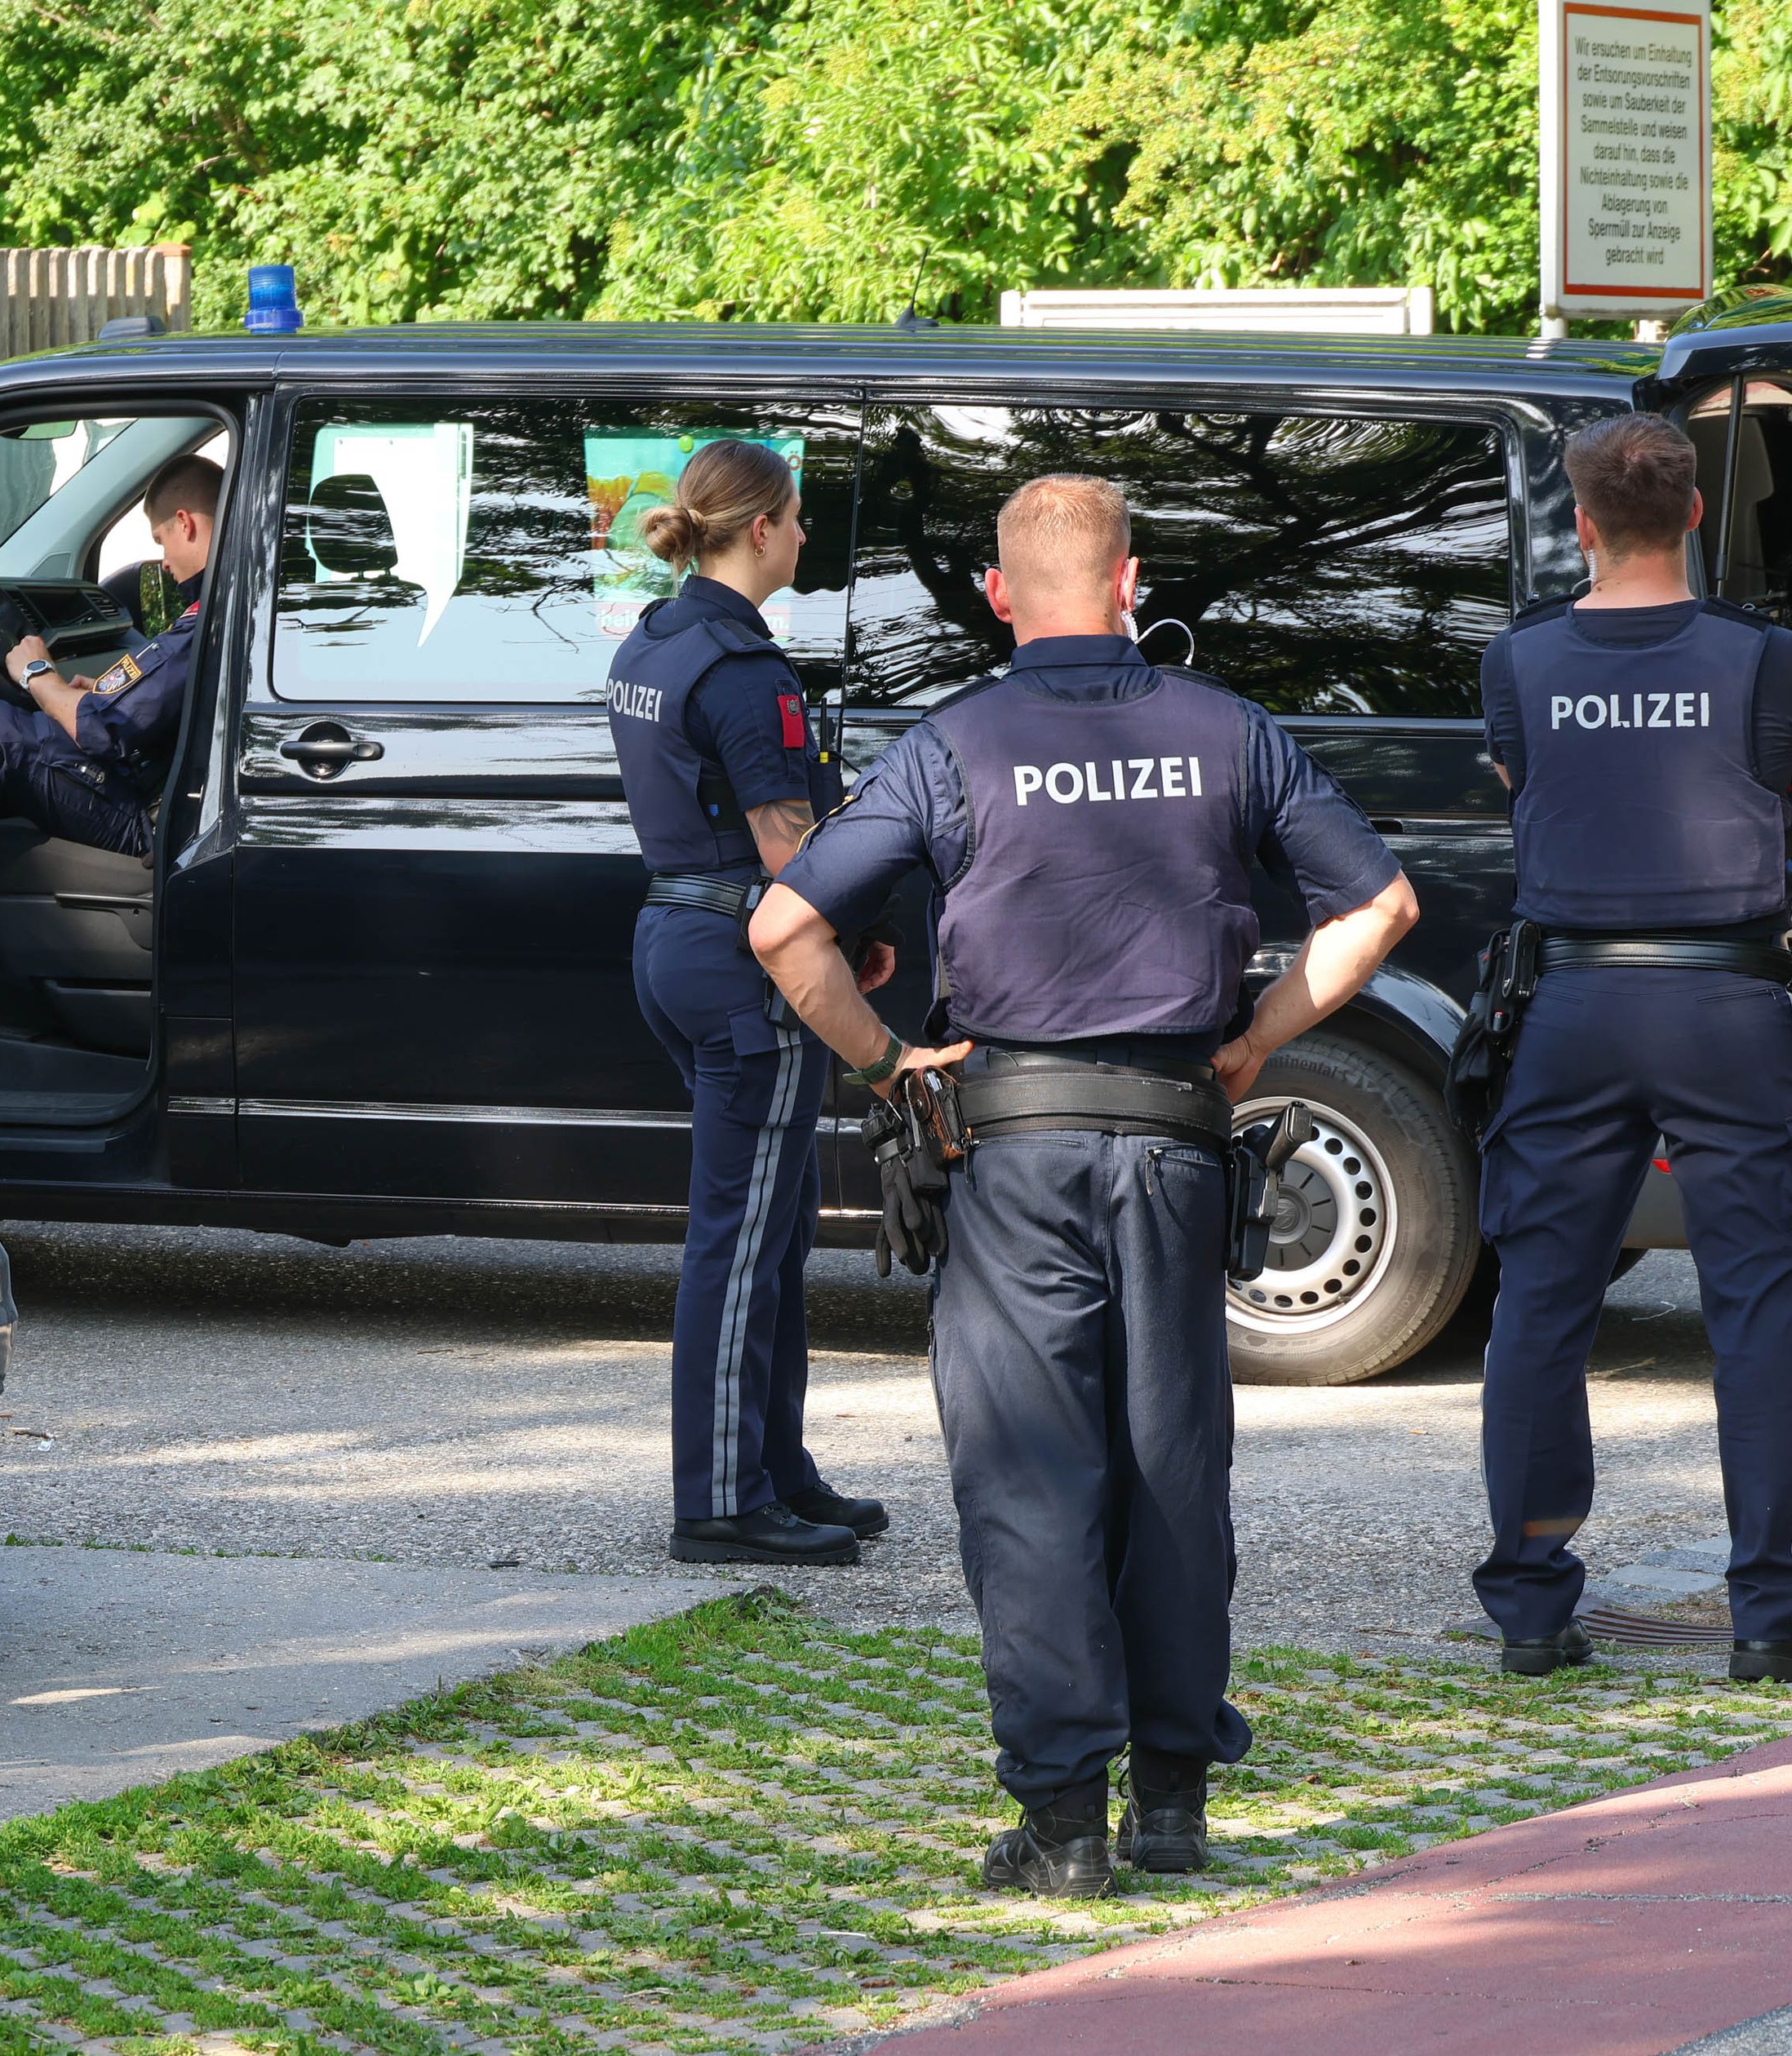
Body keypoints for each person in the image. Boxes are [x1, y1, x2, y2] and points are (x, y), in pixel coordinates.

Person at [752, 474, 1418, 1896]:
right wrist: (1253, 1041)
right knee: (1174, 1462)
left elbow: (785, 926)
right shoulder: (1226, 731)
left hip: (1013, 1150)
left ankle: (1063, 1825)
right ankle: (1172, 1805)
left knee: (1029, 1477)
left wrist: (890, 1066)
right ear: (1131, 581)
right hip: (1178, 1143)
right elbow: (1381, 905)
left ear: (1000, 598)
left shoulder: (954, 745)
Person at [1473, 412, 1792, 1685]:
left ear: (1581, 522)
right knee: (1757, 1301)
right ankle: (1770, 1616)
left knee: (1540, 1302)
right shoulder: (1770, 657)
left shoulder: (1516, 662)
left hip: (1574, 1006)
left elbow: (1532, 798)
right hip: (1725, 1003)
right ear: (1694, 516)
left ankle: (1531, 1609)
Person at [607, 439, 895, 1569]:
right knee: (740, 1240)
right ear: (763, 527)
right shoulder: (744, 671)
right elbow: (790, 852)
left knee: (770, 1226)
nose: (807, 535)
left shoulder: (657, 637)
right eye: (801, 518)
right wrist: (865, 914)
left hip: (677, 936)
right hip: (743, 960)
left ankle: (778, 1470)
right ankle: (724, 1495)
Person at [0, 451, 219, 868]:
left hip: (156, 820)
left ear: (185, 523)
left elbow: (103, 728)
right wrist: (103, 692)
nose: (163, 560)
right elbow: (162, 698)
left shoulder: (211, 617)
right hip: (166, 790)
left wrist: (38, 674)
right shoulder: (222, 606)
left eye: (161, 540)